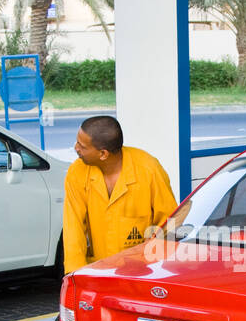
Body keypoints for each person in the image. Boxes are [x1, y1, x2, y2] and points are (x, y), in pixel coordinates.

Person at [62, 115, 178, 273]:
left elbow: (169, 222)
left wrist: (155, 265)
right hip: (99, 268)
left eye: (82, 146)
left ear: (103, 154)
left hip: (144, 270)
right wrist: (75, 273)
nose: (76, 148)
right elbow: (73, 225)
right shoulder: (77, 171)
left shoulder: (149, 169)